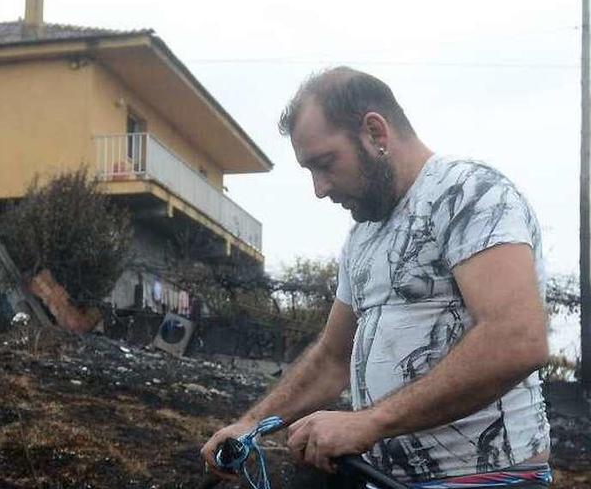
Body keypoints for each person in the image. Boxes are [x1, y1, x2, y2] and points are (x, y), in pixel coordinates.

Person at [201, 67, 551, 488]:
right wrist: (251, 424)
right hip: (379, 478)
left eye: (325, 164)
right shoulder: (362, 235)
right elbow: (333, 357)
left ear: (375, 133)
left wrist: (370, 422)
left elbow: (516, 339)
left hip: (487, 479)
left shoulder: (471, 194)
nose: (319, 188)